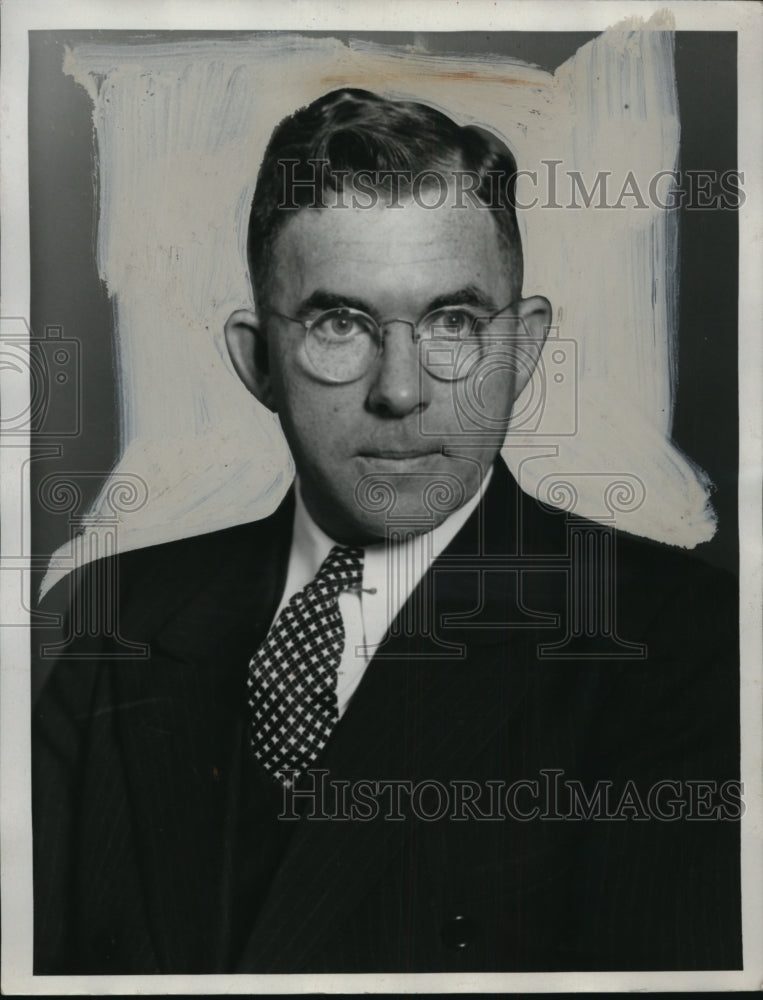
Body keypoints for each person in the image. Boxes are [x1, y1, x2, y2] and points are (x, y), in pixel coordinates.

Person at [32, 88, 741, 975]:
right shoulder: (113, 622)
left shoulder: (687, 644)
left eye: (453, 322)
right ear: (256, 360)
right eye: (341, 323)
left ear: (519, 351)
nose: (400, 390)